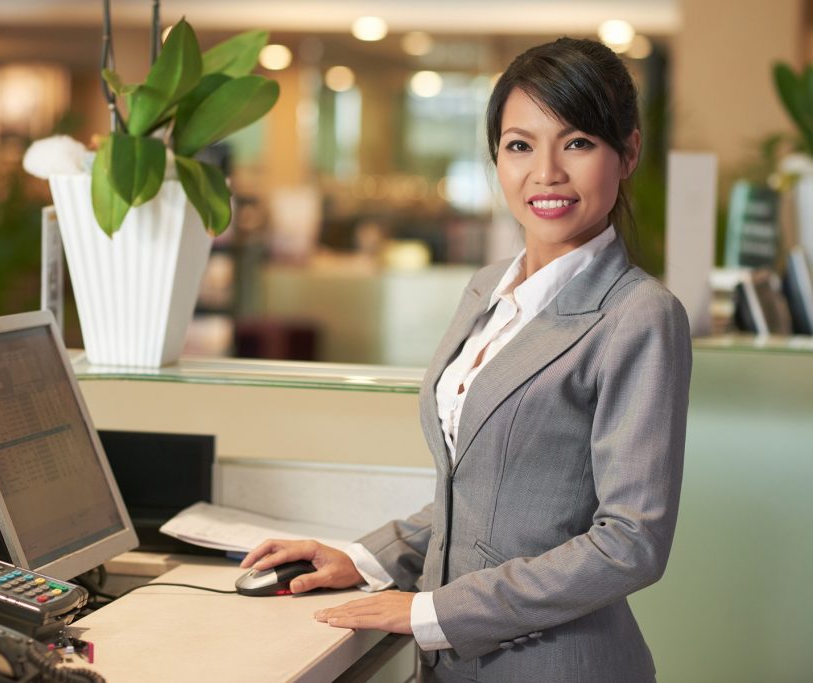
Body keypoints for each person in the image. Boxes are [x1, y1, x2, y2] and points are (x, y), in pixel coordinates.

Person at [241, 37, 692, 682]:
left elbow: (631, 543)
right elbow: (480, 498)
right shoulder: (487, 288)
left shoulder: (638, 315)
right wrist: (365, 559)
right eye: (519, 145)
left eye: (578, 142)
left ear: (628, 154)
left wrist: (434, 613)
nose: (546, 173)